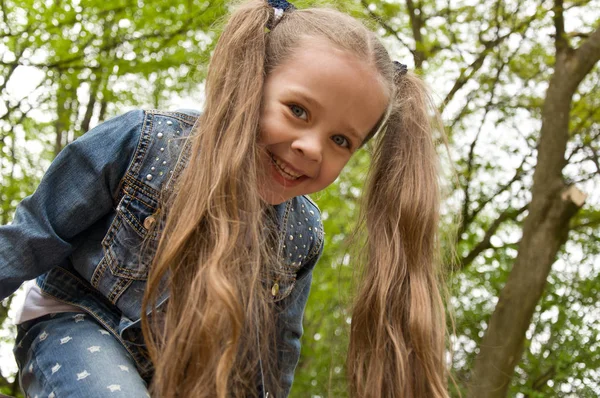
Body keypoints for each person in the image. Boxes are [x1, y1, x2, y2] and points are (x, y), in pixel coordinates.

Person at [0, 0, 449, 397]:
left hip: (185, 369)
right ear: (250, 83)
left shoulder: (302, 234)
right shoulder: (146, 144)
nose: (312, 148)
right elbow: (32, 235)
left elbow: (275, 352)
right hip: (78, 322)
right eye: (297, 111)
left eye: (340, 140)